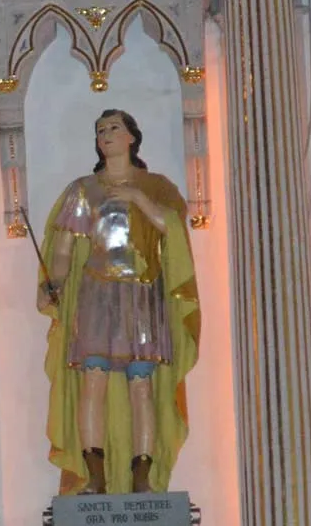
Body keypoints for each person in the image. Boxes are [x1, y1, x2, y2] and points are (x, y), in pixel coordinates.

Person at [37, 110, 200, 495]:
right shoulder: (83, 190)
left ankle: (142, 475)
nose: (105, 135)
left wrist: (136, 198)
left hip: (142, 295)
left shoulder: (157, 187)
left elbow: (172, 228)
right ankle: (95, 475)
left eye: (113, 128)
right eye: (100, 130)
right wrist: (53, 282)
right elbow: (63, 247)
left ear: (132, 137)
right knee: (91, 380)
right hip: (96, 294)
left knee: (141, 384)